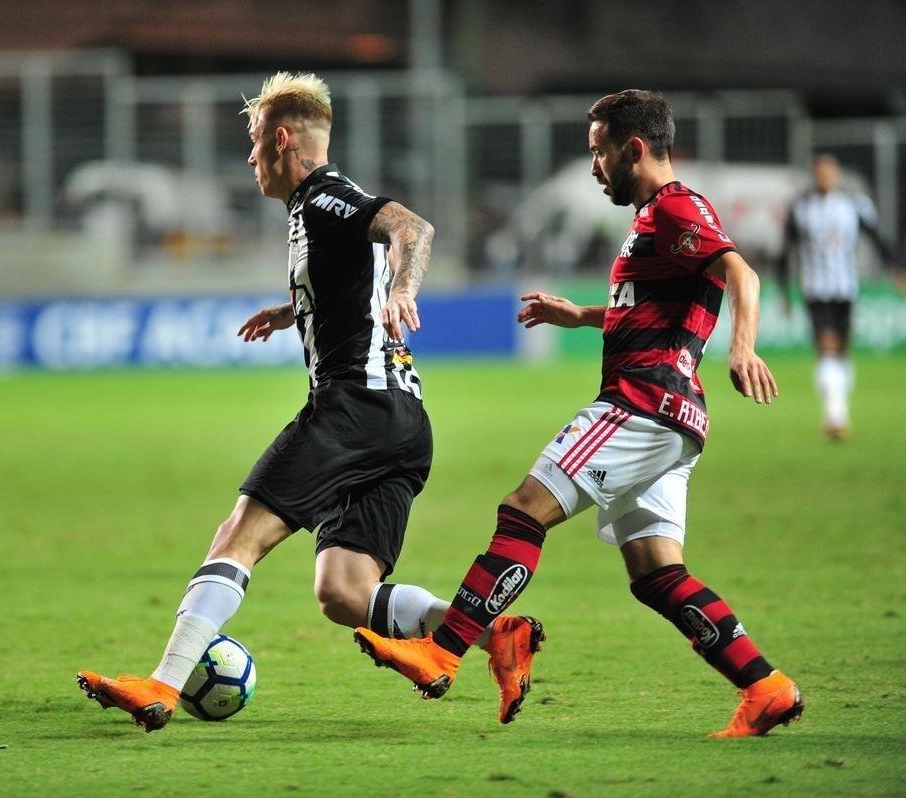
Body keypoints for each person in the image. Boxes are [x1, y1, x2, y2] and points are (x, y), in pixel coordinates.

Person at [77, 71, 540, 732]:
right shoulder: (315, 214)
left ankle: (162, 685)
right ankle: (497, 636)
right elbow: (352, 274)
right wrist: (294, 311)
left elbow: (413, 227)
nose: (250, 158)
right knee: (343, 592)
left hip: (355, 407)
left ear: (284, 139)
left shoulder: (323, 196)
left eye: (256, 142)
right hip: (403, 423)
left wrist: (406, 288)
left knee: (237, 537)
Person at [354, 90, 805, 738]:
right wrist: (584, 315)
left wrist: (743, 347)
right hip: (675, 419)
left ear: (635, 148)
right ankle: (765, 686)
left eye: (599, 152)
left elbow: (742, 274)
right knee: (657, 575)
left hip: (640, 404)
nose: (594, 167)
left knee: (523, 509)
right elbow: (663, 305)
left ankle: (441, 649)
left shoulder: (677, 205)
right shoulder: (658, 215)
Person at [776, 153, 903, 441]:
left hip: (846, 287)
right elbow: (786, 251)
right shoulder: (800, 208)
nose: (824, 177)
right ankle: (835, 415)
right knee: (827, 347)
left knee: (842, 352)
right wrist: (784, 291)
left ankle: (838, 407)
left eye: (829, 172)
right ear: (814, 175)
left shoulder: (854, 205)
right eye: (819, 172)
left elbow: (876, 237)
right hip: (815, 289)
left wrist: (896, 266)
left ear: (836, 175)